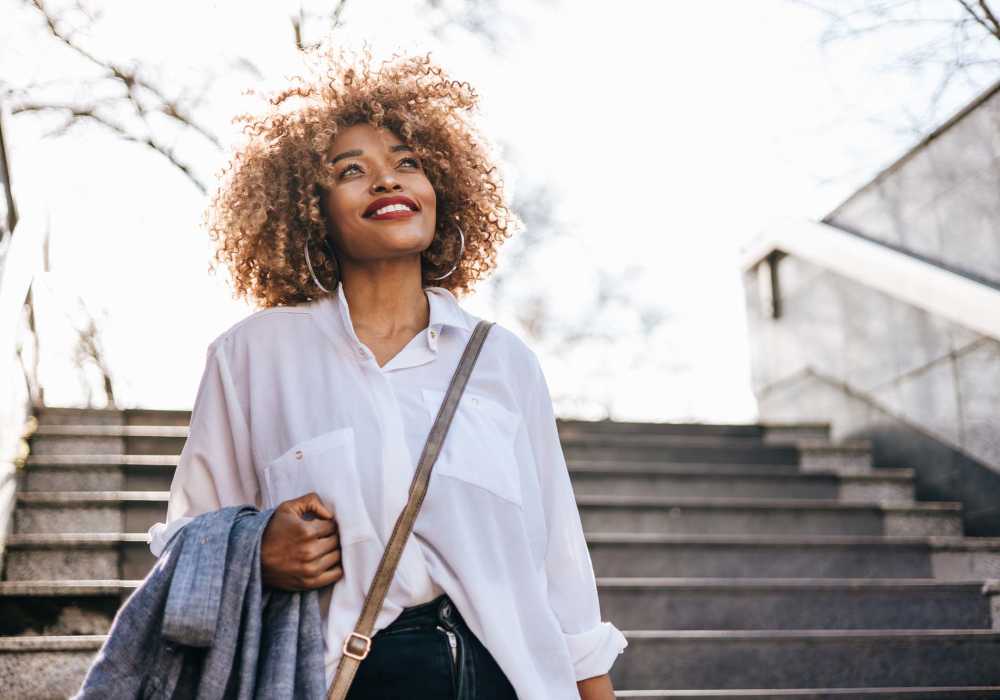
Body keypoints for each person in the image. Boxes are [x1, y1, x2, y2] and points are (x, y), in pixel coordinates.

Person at [147, 45, 627, 700]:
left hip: (511, 682)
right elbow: (184, 545)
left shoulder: (502, 361)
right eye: (352, 169)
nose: (387, 181)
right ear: (309, 206)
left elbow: (561, 570)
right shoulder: (250, 357)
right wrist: (256, 551)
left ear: (444, 192)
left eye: (409, 164)